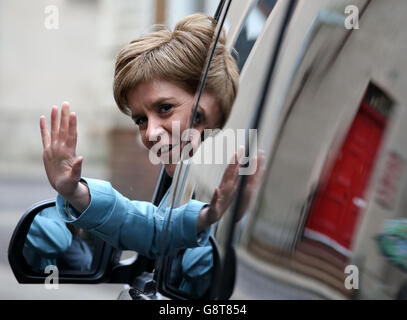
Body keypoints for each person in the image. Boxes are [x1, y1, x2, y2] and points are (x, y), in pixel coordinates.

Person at [36, 13, 261, 297]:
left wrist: (226, 223)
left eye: (165, 108)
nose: (150, 132)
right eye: (140, 119)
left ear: (211, 105)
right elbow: (153, 228)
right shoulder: (186, 184)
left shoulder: (243, 181)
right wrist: (74, 191)